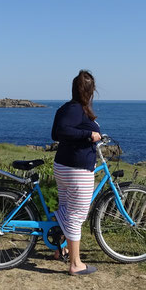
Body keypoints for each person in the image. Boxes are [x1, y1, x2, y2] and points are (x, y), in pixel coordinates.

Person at [51, 70, 101, 275]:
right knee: (76, 215)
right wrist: (89, 135)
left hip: (64, 167)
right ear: (89, 91)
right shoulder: (75, 110)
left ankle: (59, 250)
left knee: (65, 210)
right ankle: (75, 264)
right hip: (76, 170)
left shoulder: (68, 107)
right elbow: (59, 132)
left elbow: (60, 131)